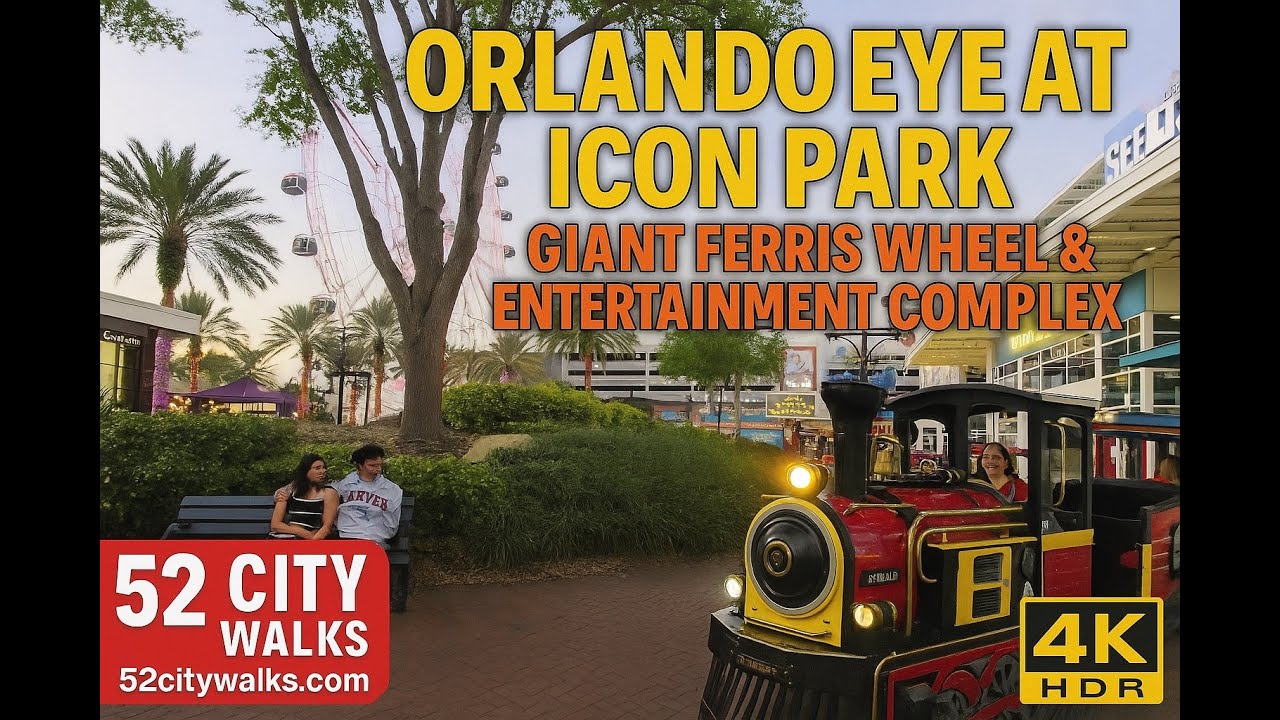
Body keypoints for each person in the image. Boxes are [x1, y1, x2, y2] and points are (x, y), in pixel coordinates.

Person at [331, 444, 404, 549]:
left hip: (375, 540)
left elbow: (392, 522)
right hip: (347, 537)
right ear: (360, 466)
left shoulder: (391, 489)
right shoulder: (344, 485)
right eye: (372, 465)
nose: (378, 469)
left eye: (379, 465)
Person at [269, 453, 339, 540]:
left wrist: (311, 541)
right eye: (317, 468)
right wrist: (304, 533)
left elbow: (326, 528)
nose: (323, 471)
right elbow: (275, 525)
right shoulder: (290, 491)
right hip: (284, 537)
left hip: (312, 540)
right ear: (305, 471)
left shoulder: (329, 493)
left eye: (324, 468)